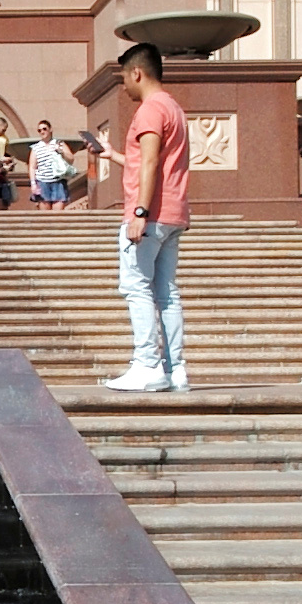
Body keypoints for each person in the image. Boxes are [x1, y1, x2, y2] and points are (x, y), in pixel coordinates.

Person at [107, 42, 194, 394]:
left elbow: (150, 163)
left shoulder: (149, 110)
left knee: (136, 287)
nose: (125, 85)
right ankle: (176, 369)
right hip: (174, 213)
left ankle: (146, 364)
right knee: (166, 292)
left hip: (151, 214)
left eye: (125, 78)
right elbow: (150, 161)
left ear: (137, 73)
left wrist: (140, 212)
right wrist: (112, 154)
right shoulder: (174, 108)